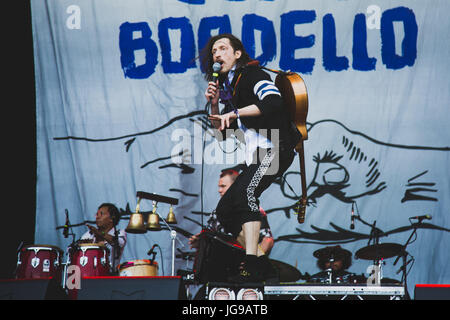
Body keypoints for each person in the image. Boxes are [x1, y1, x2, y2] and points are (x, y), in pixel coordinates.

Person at [200, 34, 302, 282]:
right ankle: (261, 263)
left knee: (246, 193)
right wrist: (215, 106)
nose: (217, 54)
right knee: (224, 213)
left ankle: (252, 265)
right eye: (214, 51)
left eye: (223, 48)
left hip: (276, 147)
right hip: (257, 155)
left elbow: (273, 102)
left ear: (237, 54)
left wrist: (234, 114)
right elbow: (222, 136)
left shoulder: (253, 75)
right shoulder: (229, 88)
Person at [80, 203, 127, 273]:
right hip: (89, 274)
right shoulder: (89, 234)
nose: (97, 217)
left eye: (101, 214)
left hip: (110, 276)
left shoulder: (120, 233)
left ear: (111, 218)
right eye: (97, 214)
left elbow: (116, 241)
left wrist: (99, 233)